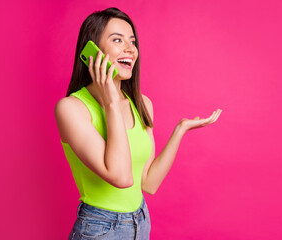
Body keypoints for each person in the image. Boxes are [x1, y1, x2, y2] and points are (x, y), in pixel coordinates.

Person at [54, 7, 222, 240]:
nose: (130, 49)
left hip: (140, 221)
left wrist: (180, 130)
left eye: (132, 41)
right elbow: (121, 177)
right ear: (91, 50)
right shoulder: (71, 109)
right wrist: (111, 102)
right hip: (99, 228)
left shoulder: (142, 103)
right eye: (117, 40)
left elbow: (148, 183)